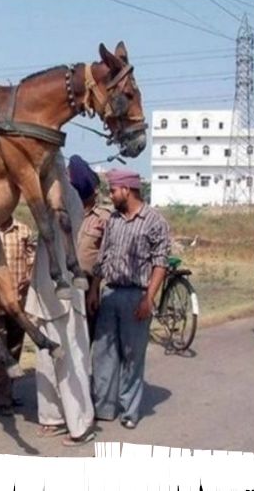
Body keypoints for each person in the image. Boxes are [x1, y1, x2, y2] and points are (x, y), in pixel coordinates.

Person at [88, 168, 171, 429]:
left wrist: (149, 298)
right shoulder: (113, 220)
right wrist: (95, 289)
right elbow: (103, 256)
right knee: (103, 354)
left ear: (127, 190)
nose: (110, 195)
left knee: (132, 356)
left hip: (137, 296)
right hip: (110, 293)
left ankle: (129, 411)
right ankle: (103, 407)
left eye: (113, 190)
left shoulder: (155, 221)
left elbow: (160, 264)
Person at [25, 152, 96, 446]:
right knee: (45, 361)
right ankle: (52, 417)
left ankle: (81, 425)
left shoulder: (68, 199)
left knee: (71, 362)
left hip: (65, 298)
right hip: (45, 294)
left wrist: (50, 151)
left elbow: (58, 172)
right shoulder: (50, 202)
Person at [0, 217, 35, 416]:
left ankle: (8, 392)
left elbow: (32, 259)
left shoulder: (23, 231)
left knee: (14, 348)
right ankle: (0, 399)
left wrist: (29, 278)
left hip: (17, 302)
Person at [67, 155, 112, 344]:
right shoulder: (67, 215)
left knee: (86, 338)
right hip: (66, 283)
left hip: (88, 285)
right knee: (67, 337)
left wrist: (94, 290)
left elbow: (105, 257)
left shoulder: (104, 218)